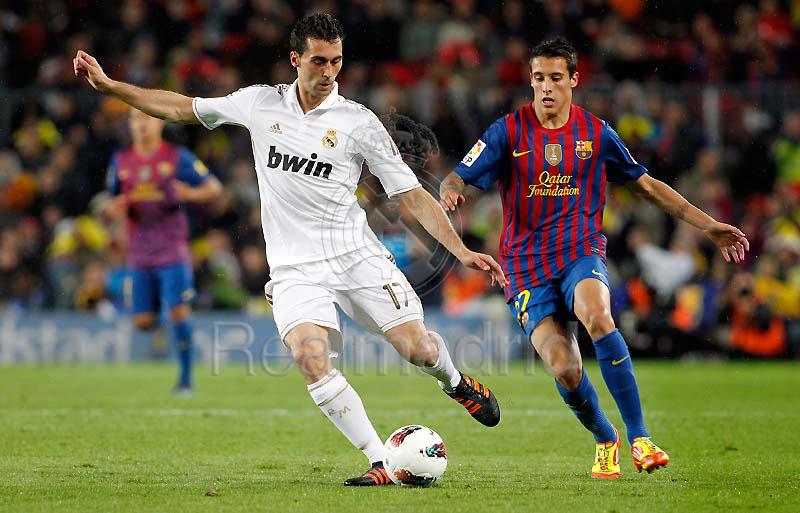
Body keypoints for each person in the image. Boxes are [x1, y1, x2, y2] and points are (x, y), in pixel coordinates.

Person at [75, 13, 506, 486]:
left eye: (336, 61)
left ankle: (456, 383)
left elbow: (411, 194)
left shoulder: (358, 122)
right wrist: (111, 86)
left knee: (418, 349)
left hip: (356, 257)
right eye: (319, 61)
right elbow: (181, 108)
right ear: (296, 59)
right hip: (295, 269)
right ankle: (381, 460)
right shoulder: (259, 103)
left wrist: (460, 250)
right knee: (310, 357)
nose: (329, 72)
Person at [440, 37, 750, 478]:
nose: (546, 87)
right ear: (531, 80)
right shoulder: (507, 131)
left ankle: (641, 437)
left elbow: (647, 186)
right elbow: (457, 176)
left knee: (598, 316)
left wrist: (708, 225)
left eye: (555, 78)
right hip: (525, 267)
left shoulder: (596, 132)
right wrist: (451, 190)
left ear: (573, 80)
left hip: (579, 251)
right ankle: (606, 437)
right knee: (565, 368)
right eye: (538, 78)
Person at [106, 108, 222, 395]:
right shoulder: (121, 161)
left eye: (147, 118)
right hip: (139, 253)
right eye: (136, 119)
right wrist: (114, 212)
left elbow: (214, 188)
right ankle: (160, 308)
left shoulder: (177, 157)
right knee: (143, 322)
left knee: (179, 311)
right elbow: (111, 202)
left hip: (172, 250)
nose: (142, 124)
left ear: (160, 123)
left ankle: (185, 380)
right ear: (130, 124)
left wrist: (189, 193)